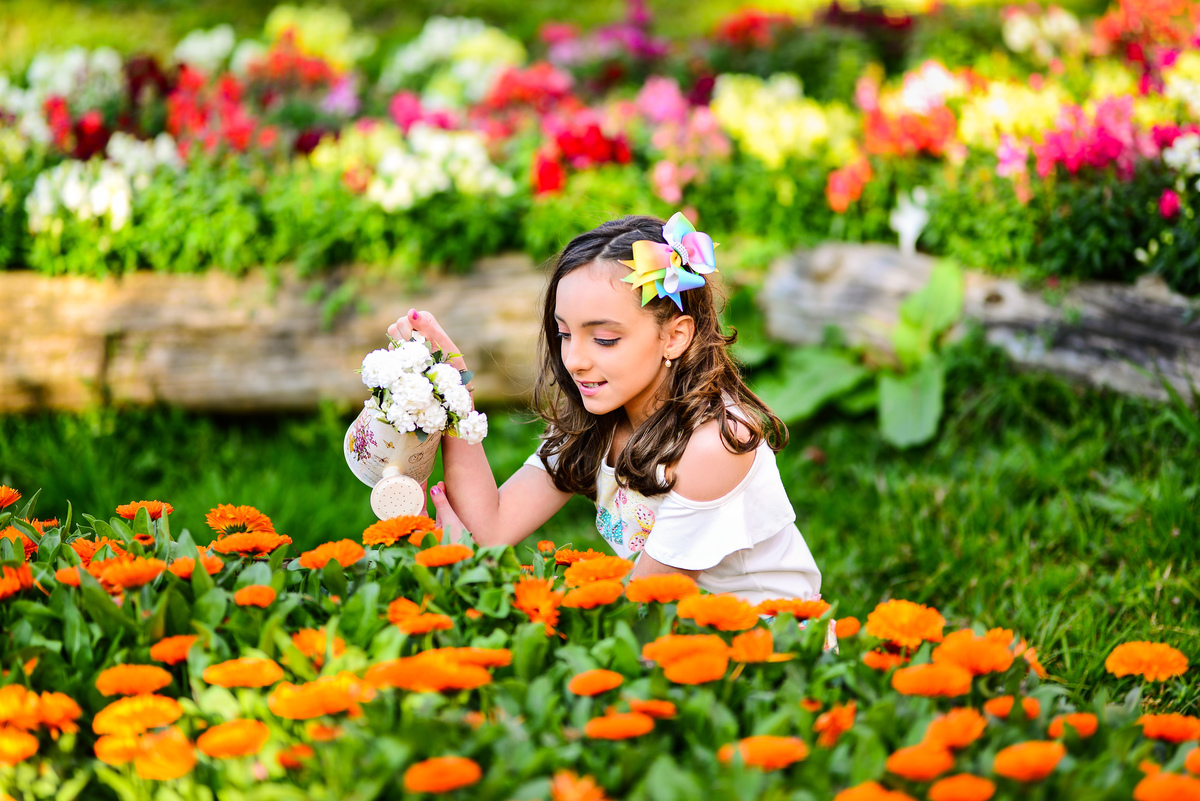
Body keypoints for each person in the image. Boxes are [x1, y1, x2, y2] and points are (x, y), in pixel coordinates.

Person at [387, 213, 823, 606]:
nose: (574, 359)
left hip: (769, 653)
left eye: (605, 339)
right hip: (671, 637)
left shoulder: (714, 446)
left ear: (674, 337)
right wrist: (454, 388)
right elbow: (492, 528)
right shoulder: (601, 423)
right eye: (564, 333)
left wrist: (492, 584)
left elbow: (642, 607)